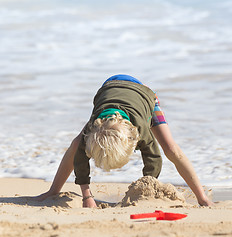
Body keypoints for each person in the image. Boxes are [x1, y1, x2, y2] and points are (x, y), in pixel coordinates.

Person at [36, 74, 213, 207]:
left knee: (170, 148)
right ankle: (54, 191)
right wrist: (87, 196)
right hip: (108, 89)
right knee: (76, 145)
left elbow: (153, 157)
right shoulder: (93, 129)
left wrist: (147, 188)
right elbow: (81, 160)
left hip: (144, 95)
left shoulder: (141, 129)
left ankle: (202, 197)